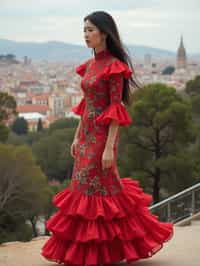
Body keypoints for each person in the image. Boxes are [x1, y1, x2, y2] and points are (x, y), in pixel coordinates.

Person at [41, 10, 174, 266]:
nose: (86, 35)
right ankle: (98, 251)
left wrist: (109, 148)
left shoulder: (113, 66)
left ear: (104, 33)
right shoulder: (90, 65)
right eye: (84, 30)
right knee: (83, 189)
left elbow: (116, 110)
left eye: (90, 30)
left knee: (97, 192)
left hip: (102, 138)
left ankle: (105, 250)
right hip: (86, 136)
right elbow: (86, 105)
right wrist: (76, 136)